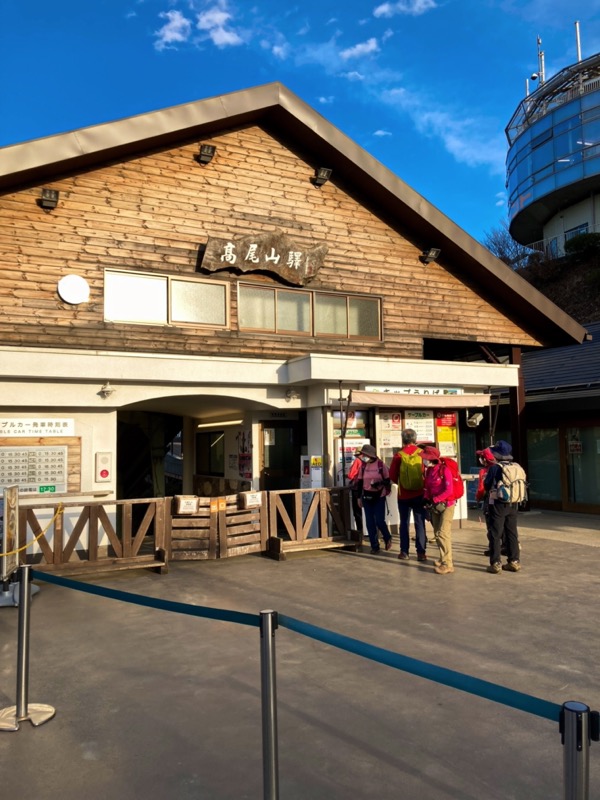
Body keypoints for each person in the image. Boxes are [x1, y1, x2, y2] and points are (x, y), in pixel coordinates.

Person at [389, 428, 427, 561]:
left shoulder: (398, 455)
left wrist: (402, 481)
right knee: (419, 523)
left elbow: (392, 476)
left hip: (403, 495)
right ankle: (421, 553)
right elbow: (425, 473)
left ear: (403, 439)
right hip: (419, 494)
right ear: (415, 439)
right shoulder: (421, 453)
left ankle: (404, 552)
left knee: (404, 523)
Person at [484, 440, 521, 574]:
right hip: (514, 502)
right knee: (512, 532)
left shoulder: (495, 468)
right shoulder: (516, 466)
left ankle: (496, 563)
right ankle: (514, 561)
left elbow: (487, 485)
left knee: (495, 533)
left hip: (499, 503)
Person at [419, 446, 456, 574]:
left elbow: (449, 490)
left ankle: (448, 564)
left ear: (431, 458)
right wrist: (426, 498)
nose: (423, 460)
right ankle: (443, 558)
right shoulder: (429, 471)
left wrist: (434, 499)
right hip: (435, 505)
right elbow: (427, 488)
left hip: (447, 505)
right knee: (437, 533)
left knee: (443, 533)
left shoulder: (444, 470)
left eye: (425, 458)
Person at [353, 443, 393, 554]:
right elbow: (359, 482)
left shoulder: (381, 465)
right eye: (362, 455)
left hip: (379, 496)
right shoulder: (363, 466)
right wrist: (358, 497)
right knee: (370, 523)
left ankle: (387, 537)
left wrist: (379, 483)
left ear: (371, 455)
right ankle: (374, 546)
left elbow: (388, 479)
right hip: (366, 496)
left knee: (380, 521)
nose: (363, 457)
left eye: (364, 455)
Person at [347, 449, 364, 537]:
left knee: (357, 512)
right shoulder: (370, 461)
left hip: (357, 489)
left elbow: (350, 475)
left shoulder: (357, 461)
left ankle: (360, 533)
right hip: (368, 489)